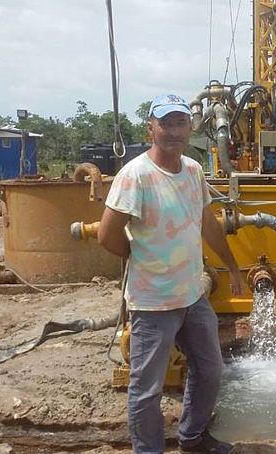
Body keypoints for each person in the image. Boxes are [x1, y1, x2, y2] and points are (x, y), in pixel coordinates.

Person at [98, 93, 243, 454]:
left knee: (210, 371)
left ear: (189, 127)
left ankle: (192, 437)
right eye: (166, 123)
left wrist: (233, 267)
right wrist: (141, 256)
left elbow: (208, 223)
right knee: (147, 390)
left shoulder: (193, 170)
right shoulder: (136, 175)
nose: (174, 131)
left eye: (180, 123)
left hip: (193, 296)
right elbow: (106, 234)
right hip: (152, 303)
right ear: (151, 128)